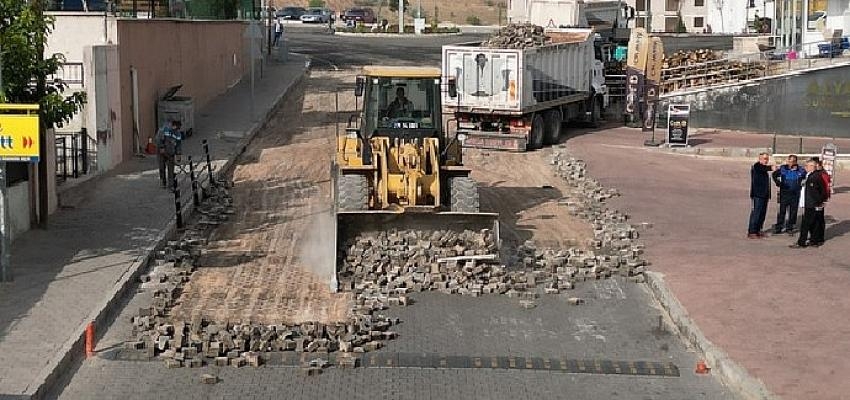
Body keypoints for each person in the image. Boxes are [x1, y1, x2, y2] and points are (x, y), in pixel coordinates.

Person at [792, 159, 828, 248]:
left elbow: (818, 192)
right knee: (814, 223)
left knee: (805, 224)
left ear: (812, 167)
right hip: (810, 203)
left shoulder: (814, 177)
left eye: (807, 166)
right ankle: (814, 241)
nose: (805, 167)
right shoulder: (810, 175)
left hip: (811, 203)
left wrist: (819, 202)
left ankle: (802, 242)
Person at [771, 154, 805, 234]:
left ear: (796, 162)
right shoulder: (783, 168)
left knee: (793, 211)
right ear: (787, 161)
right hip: (784, 193)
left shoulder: (801, 170)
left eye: (793, 161)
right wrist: (778, 183)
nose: (791, 163)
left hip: (795, 193)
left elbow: (806, 176)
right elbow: (774, 175)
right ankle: (779, 227)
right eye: (790, 161)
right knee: (782, 211)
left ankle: (790, 227)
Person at [748, 152, 777, 238]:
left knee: (762, 214)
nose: (766, 160)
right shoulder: (757, 166)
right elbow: (763, 168)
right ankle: (752, 231)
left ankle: (758, 230)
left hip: (765, 194)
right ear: (760, 159)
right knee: (756, 213)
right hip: (757, 194)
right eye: (764, 159)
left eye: (767, 159)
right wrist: (772, 167)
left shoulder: (763, 169)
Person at [156, 120, 183, 189]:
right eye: (177, 128)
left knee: (171, 169)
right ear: (173, 125)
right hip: (162, 153)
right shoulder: (164, 130)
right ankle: (163, 182)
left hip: (171, 153)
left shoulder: (178, 133)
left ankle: (171, 184)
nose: (177, 130)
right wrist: (161, 147)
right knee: (162, 168)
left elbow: (178, 144)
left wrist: (178, 154)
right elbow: (159, 139)